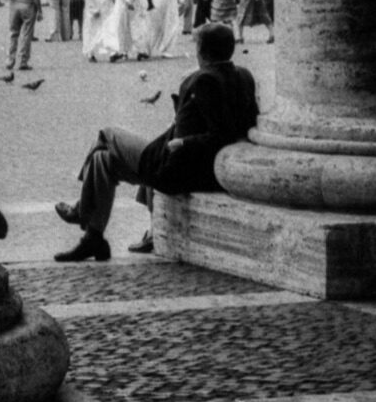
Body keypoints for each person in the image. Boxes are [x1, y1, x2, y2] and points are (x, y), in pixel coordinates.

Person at [54, 23, 259, 260]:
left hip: (174, 165)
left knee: (107, 134)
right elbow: (243, 124)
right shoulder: (243, 76)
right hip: (188, 161)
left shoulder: (202, 80)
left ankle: (81, 210)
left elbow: (219, 132)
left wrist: (184, 143)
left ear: (201, 51)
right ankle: (93, 238)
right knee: (102, 160)